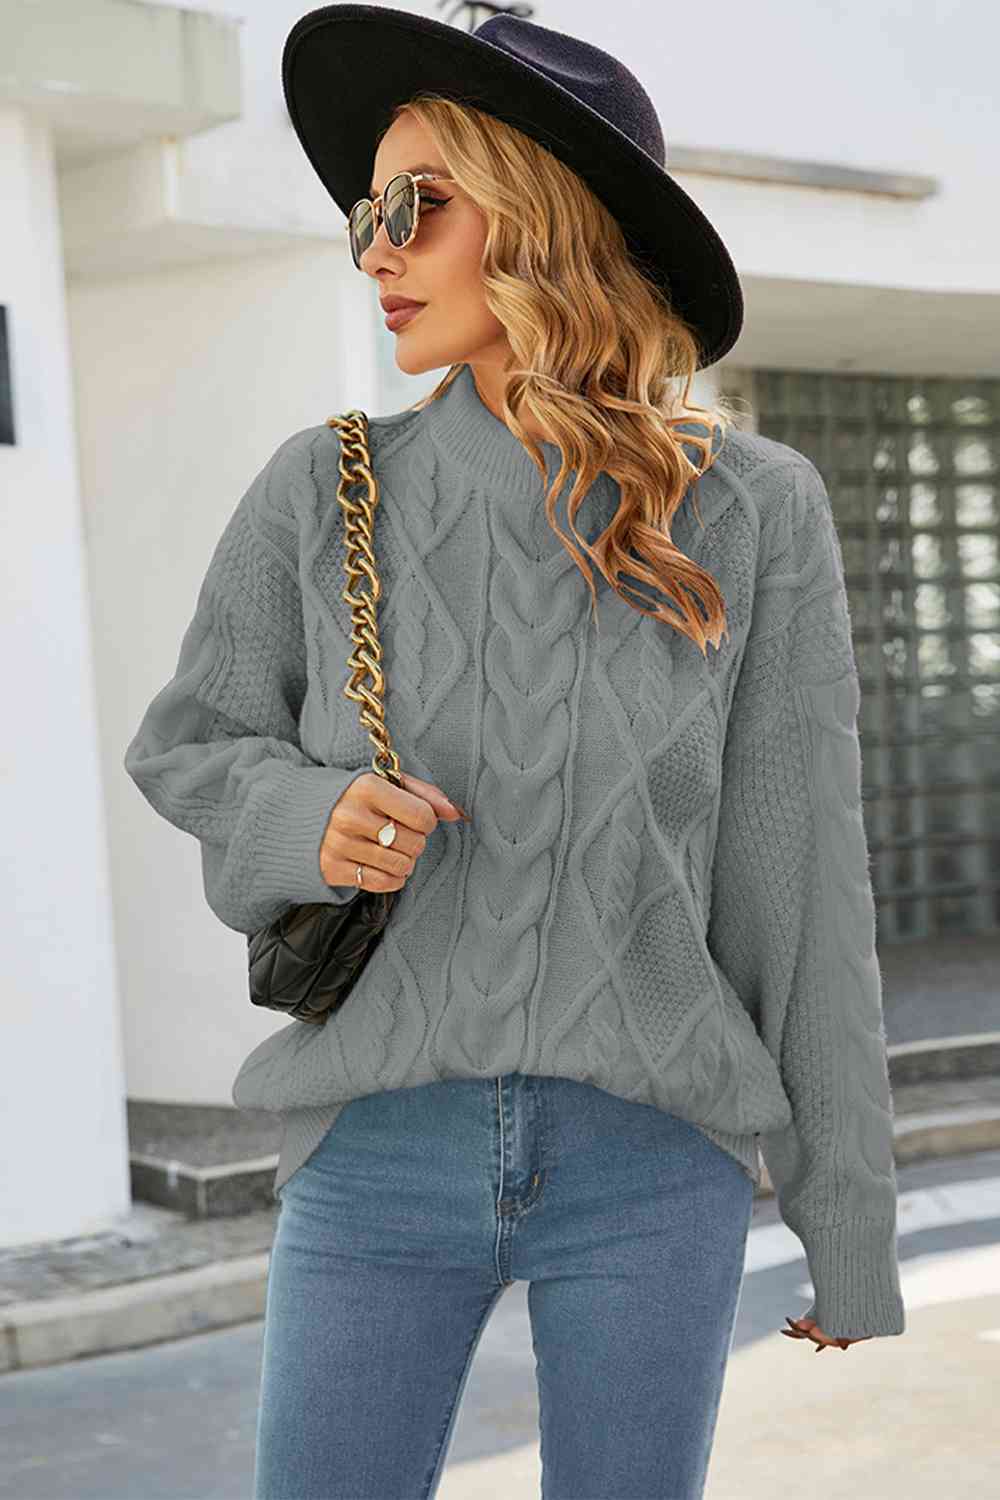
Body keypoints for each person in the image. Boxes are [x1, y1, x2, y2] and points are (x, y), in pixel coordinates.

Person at [123, 7, 906, 1497]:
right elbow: (190, 745)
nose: (376, 250)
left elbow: (801, 890)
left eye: (415, 204)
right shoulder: (325, 488)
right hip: (375, 1152)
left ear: (544, 212)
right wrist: (306, 816)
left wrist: (850, 1230)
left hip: (653, 1159)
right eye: (367, 213)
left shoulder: (754, 509)